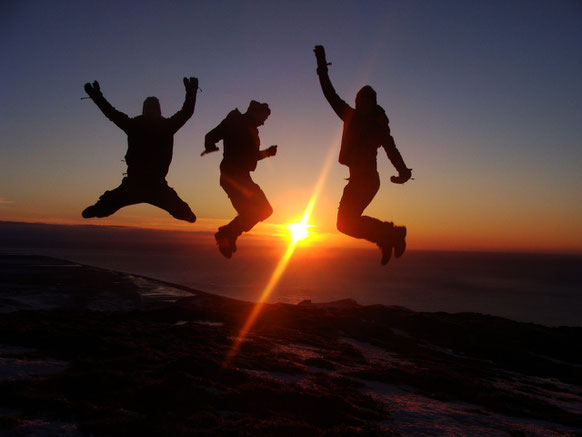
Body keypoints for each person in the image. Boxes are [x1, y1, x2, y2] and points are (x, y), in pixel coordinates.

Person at [314, 45, 412, 265]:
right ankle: (388, 237)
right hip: (359, 180)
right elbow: (330, 94)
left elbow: (392, 149)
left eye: (364, 101)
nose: (359, 104)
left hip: (367, 180)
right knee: (345, 224)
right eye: (358, 101)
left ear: (372, 103)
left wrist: (403, 172)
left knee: (346, 223)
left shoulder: (377, 127)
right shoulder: (351, 117)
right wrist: (322, 66)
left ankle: (392, 235)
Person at [81, 78, 199, 223]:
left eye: (154, 109)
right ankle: (98, 209)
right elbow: (111, 113)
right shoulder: (136, 125)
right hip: (134, 184)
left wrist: (191, 91)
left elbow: (186, 112)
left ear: (158, 110)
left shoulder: (165, 126)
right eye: (149, 109)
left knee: (184, 213)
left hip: (156, 185)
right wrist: (96, 96)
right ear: (144, 111)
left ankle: (186, 214)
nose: (151, 112)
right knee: (107, 205)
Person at [202, 101, 277, 258]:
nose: (263, 123)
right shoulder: (235, 121)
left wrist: (267, 152)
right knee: (260, 210)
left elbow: (251, 156)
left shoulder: (251, 130)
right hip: (233, 177)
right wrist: (209, 144)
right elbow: (213, 134)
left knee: (257, 212)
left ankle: (228, 235)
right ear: (254, 112)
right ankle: (227, 234)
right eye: (264, 118)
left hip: (242, 177)